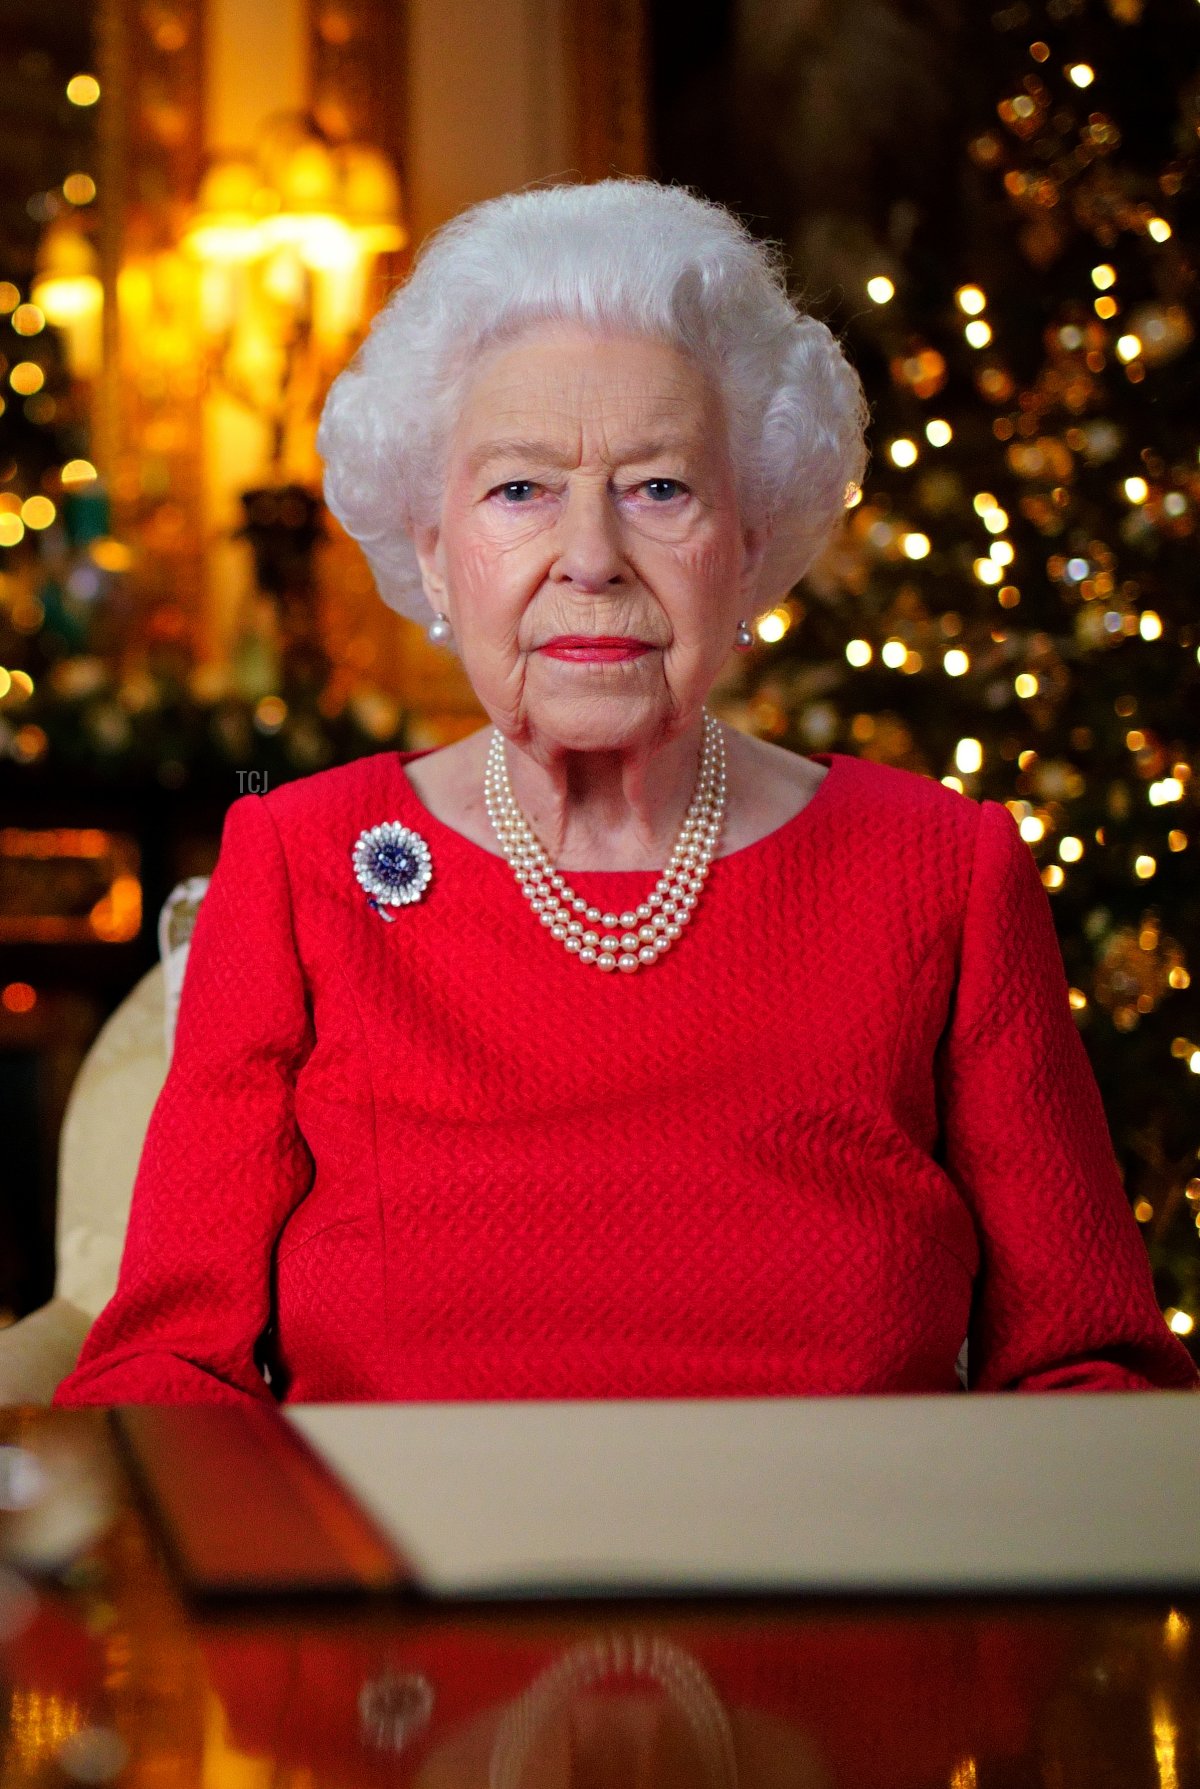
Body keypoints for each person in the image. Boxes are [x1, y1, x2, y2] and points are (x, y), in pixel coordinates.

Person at [54, 179, 1196, 1406]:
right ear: (435, 549)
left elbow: (1090, 1371)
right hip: (396, 1588)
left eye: (660, 488)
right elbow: (165, 1372)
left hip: (842, 1587)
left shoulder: (937, 869)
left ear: (750, 543)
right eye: (519, 490)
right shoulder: (302, 861)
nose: (591, 559)